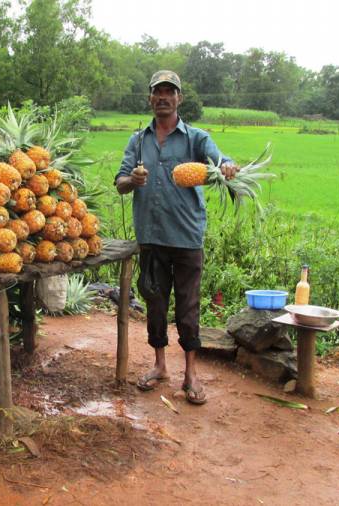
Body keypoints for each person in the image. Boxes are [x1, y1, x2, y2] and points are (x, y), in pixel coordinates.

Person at [114, 70, 238, 405]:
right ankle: (159, 366)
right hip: (151, 237)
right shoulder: (138, 141)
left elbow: (221, 159)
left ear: (179, 98)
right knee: (155, 302)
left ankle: (191, 373)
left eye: (170, 92)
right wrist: (133, 181)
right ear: (150, 98)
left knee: (187, 307)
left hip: (186, 236)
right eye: (158, 92)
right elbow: (120, 182)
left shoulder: (196, 139)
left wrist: (227, 166)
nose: (164, 97)